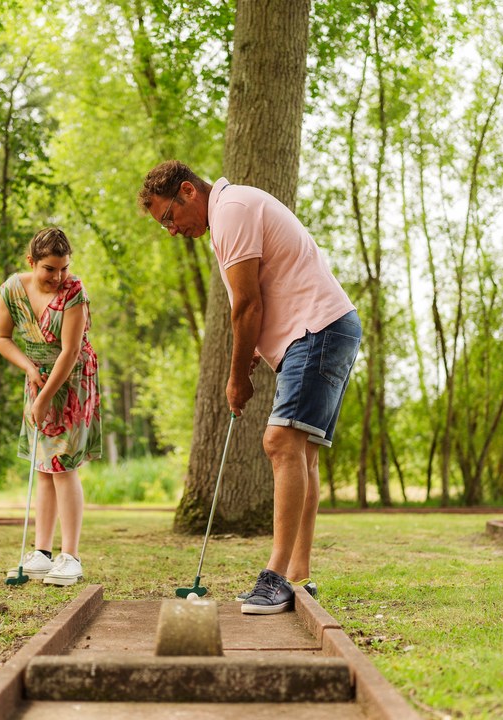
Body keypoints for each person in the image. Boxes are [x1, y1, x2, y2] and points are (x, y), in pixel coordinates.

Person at [140, 161, 361, 615]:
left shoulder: (232, 211)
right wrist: (261, 353)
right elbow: (262, 298)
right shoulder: (230, 211)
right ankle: (297, 577)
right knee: (302, 454)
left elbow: (247, 305)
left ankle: (276, 577)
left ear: (188, 191)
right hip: (323, 329)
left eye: (168, 218)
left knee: (279, 442)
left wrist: (237, 376)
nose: (171, 230)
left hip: (317, 329)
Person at [0, 226, 102, 587]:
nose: (58, 277)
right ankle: (41, 553)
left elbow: (70, 351)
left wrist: (43, 397)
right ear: (32, 262)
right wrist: (28, 369)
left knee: (62, 464)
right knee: (43, 466)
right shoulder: (12, 289)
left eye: (64, 268)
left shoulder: (75, 292)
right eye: (50, 269)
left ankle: (70, 556)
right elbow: (2, 337)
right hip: (38, 377)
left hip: (71, 379)